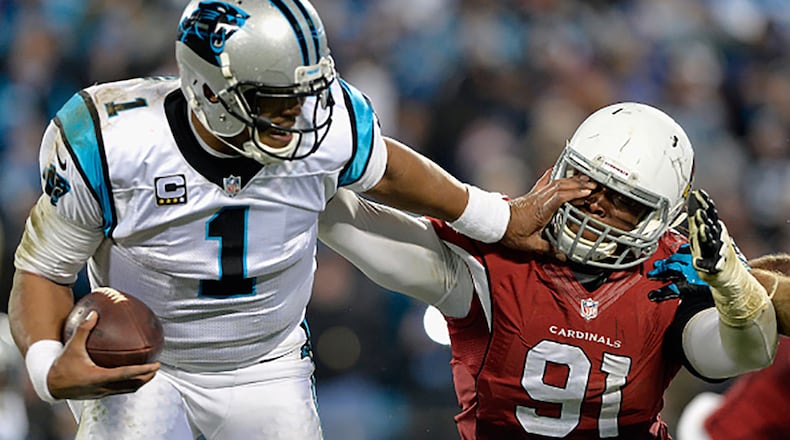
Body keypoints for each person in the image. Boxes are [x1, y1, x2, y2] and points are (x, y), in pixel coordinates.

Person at [6, 1, 596, 439]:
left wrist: (497, 216)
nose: (300, 115)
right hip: (145, 367)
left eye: (306, 93)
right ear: (209, 92)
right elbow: (42, 269)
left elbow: (388, 170)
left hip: (268, 364)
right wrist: (47, 370)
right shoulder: (110, 140)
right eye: (275, 101)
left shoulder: (321, 119)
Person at [318, 102, 779, 439]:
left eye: (623, 201)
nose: (596, 206)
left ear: (659, 218)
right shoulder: (500, 256)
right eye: (587, 182)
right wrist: (303, 164)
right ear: (560, 168)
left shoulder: (670, 277)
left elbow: (742, 354)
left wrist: (733, 287)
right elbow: (351, 224)